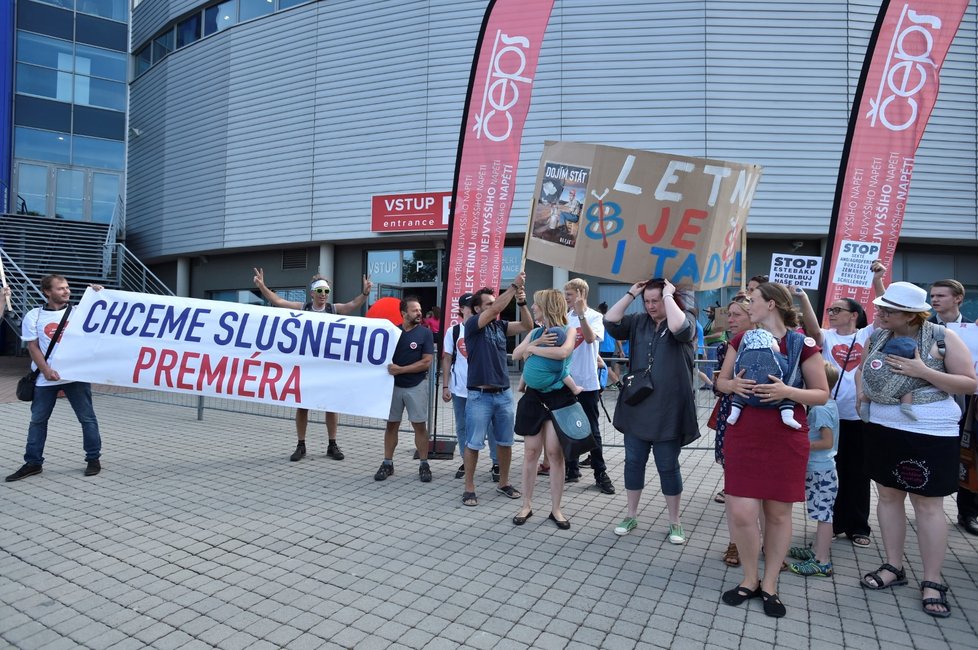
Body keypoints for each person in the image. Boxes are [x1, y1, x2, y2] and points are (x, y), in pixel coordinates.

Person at [856, 282, 976, 617]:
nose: (878, 314)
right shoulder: (876, 336)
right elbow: (862, 370)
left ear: (910, 315)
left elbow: (970, 382)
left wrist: (922, 371)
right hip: (882, 427)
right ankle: (894, 565)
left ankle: (932, 579)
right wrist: (864, 392)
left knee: (928, 507)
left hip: (929, 431)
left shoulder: (943, 337)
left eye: (886, 310)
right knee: (889, 497)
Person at [716, 281, 828, 619]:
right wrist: (732, 385)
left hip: (784, 434)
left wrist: (787, 392)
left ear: (772, 305)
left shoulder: (801, 344)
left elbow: (821, 393)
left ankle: (770, 583)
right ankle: (749, 578)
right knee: (742, 512)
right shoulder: (740, 338)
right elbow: (721, 382)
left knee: (778, 514)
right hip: (744, 431)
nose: (749, 306)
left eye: (755, 301)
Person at [795, 262, 885, 549]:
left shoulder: (868, 333)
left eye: (837, 310)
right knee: (831, 472)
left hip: (859, 417)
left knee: (858, 473)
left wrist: (877, 280)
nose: (831, 314)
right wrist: (803, 298)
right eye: (830, 310)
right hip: (831, 417)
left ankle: (858, 526)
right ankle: (832, 524)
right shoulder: (827, 337)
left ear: (854, 315)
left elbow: (884, 311)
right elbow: (811, 326)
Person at [604, 278, 699, 544]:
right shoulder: (638, 320)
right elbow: (610, 321)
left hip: (669, 409)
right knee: (634, 462)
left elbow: (680, 328)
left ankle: (675, 521)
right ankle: (631, 514)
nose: (651, 306)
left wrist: (669, 296)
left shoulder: (685, 317)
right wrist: (631, 294)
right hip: (638, 405)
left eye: (655, 300)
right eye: (647, 301)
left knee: (668, 466)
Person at [253, 268, 372, 462]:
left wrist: (366, 292)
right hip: (307, 366)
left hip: (328, 366)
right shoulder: (304, 308)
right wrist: (262, 286)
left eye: (326, 292)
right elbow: (278, 301)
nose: (324, 295)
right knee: (302, 406)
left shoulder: (333, 309)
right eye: (320, 291)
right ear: (312, 293)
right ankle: (301, 445)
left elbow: (352, 304)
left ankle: (332, 444)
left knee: (331, 406)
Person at [6, 275, 104, 482]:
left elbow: (104, 315)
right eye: (60, 289)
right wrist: (46, 370)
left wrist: (98, 294)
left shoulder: (78, 312)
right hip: (45, 379)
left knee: (87, 419)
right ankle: (33, 463)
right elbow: (32, 346)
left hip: (75, 377)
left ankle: (93, 459)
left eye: (67, 287)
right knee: (38, 421)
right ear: (47, 292)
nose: (66, 291)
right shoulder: (34, 316)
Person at [461, 272, 533, 506]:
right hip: (479, 395)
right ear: (477, 309)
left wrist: (521, 302)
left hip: (503, 394)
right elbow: (494, 311)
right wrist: (513, 287)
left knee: (505, 442)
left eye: (494, 302)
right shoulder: (473, 325)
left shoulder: (500, 326)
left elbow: (526, 325)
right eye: (489, 304)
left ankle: (503, 483)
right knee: (473, 443)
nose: (495, 307)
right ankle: (469, 488)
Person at [512, 289, 578, 528]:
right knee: (531, 452)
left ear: (547, 306)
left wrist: (533, 349)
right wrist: (535, 342)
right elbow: (516, 355)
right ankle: (526, 504)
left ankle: (556, 509)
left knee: (554, 453)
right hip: (534, 398)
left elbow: (563, 352)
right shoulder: (535, 331)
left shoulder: (569, 330)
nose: (533, 307)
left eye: (536, 304)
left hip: (558, 398)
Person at [927, 279, 978, 537]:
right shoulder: (922, 326)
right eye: (933, 295)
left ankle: (967, 511)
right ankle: (925, 505)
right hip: (929, 400)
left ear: (958, 298)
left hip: (966, 402)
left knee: (968, 457)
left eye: (941, 295)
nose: (935, 299)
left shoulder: (973, 328)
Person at [709, 296, 752, 567]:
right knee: (734, 484)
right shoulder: (727, 346)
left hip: (763, 417)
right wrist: (727, 385)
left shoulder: (777, 343)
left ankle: (764, 543)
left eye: (736, 315)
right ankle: (735, 542)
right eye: (730, 314)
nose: (731, 320)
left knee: (765, 489)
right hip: (732, 415)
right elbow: (719, 384)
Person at [787, 361, 840, 578]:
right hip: (821, 468)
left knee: (823, 514)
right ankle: (816, 550)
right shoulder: (829, 404)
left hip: (821, 469)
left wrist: (800, 445)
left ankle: (822, 560)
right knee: (821, 512)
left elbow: (827, 442)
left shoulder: (819, 410)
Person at [563, 279, 616, 494]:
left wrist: (582, 314)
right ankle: (572, 468)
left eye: (569, 294)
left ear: (580, 293)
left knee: (592, 429)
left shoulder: (595, 316)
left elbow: (589, 338)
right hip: (567, 381)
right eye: (565, 293)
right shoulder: (565, 317)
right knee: (568, 426)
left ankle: (600, 472)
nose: (566, 297)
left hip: (588, 382)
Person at [441, 293, 500, 481]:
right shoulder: (454, 331)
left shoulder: (486, 327)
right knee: (462, 426)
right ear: (462, 309)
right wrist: (445, 386)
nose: (471, 309)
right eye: (468, 306)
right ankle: (466, 460)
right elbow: (447, 357)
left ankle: (497, 462)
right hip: (461, 389)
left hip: (483, 388)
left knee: (491, 426)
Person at [375, 296, 435, 483]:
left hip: (416, 385)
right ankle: (387, 463)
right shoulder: (392, 332)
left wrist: (401, 370)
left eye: (419, 310)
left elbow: (426, 362)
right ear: (404, 313)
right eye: (415, 310)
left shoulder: (425, 333)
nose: (419, 313)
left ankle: (424, 464)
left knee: (419, 425)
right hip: (393, 387)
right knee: (392, 425)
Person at [725, 328, 802, 429]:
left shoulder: (744, 352)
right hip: (773, 399)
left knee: (739, 396)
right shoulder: (778, 355)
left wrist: (734, 383)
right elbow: (786, 369)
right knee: (787, 399)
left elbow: (736, 368)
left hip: (747, 396)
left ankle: (734, 412)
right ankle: (787, 416)